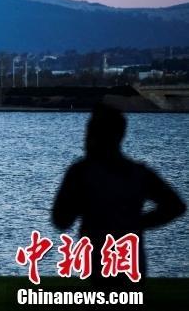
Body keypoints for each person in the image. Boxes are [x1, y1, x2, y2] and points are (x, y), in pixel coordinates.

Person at [52, 103, 185, 286]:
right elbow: (175, 205)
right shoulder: (139, 173)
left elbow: (61, 220)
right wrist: (136, 223)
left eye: (92, 132)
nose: (86, 139)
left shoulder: (81, 172)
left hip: (99, 259)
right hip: (131, 261)